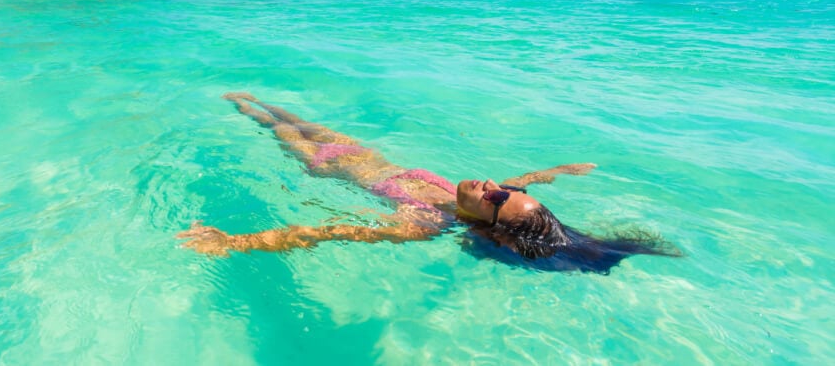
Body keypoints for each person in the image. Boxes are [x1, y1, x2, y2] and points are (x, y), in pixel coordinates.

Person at [178, 93, 680, 273]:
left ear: (490, 222)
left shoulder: (425, 222)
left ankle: (235, 102)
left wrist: (236, 242)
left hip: (326, 164)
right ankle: (248, 96)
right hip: (361, 152)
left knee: (271, 123)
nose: (494, 185)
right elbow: (520, 180)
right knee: (292, 113)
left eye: (499, 197)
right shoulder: (485, 195)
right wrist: (556, 172)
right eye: (510, 190)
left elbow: (330, 231)